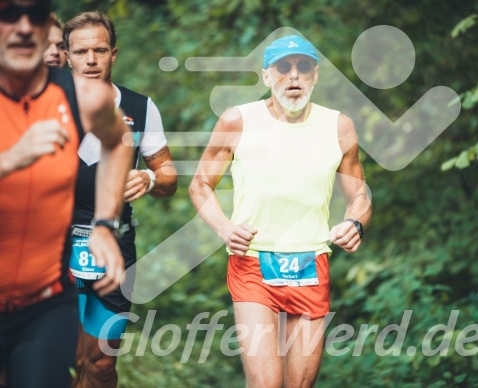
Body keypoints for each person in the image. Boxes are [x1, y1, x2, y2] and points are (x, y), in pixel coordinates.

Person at [189, 34, 371, 387]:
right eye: (283, 67)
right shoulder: (237, 121)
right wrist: (224, 228)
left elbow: (359, 194)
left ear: (315, 75)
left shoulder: (338, 126)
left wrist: (355, 223)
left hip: (310, 262)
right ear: (266, 76)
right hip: (253, 264)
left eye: (303, 67)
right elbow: (199, 184)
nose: (294, 76)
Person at [0, 0, 132, 386]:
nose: (24, 27)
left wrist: (106, 224)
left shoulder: (83, 97)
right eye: (9, 14)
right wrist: (10, 160)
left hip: (45, 302)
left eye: (36, 15)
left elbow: (120, 142)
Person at [63, 11, 177, 388]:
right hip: (52, 242)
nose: (91, 60)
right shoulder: (45, 106)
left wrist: (148, 177)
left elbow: (169, 178)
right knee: (60, 357)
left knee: (98, 363)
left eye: (99, 50)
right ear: (66, 55)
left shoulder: (140, 108)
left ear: (115, 54)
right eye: (81, 52)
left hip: (115, 243)